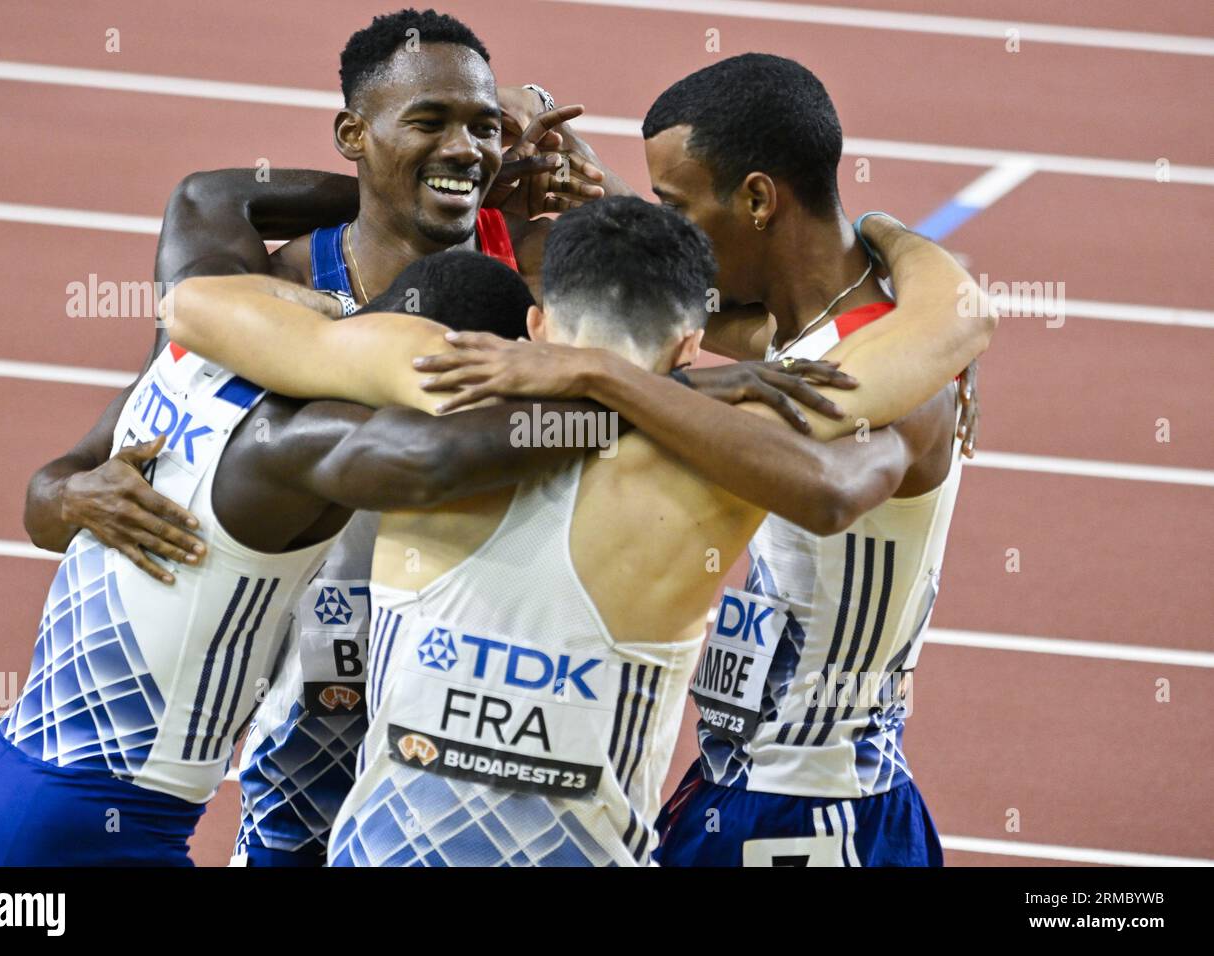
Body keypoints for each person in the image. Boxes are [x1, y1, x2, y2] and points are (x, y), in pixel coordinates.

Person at [163, 194, 992, 865]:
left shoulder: (431, 380)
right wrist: (885, 236)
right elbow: (949, 327)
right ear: (691, 346)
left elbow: (191, 304)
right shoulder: (727, 461)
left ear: (533, 328)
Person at [418, 54, 991, 866]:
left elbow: (826, 494)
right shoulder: (797, 333)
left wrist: (598, 375)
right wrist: (583, 202)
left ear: (757, 199)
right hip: (739, 779)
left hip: (818, 810)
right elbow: (670, 310)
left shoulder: (899, 368)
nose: (668, 226)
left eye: (675, 205)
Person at [0, 250, 626, 866]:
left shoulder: (195, 361)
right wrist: (632, 395)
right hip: (93, 822)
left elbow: (211, 210)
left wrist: (335, 307)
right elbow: (440, 459)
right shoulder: (298, 443)